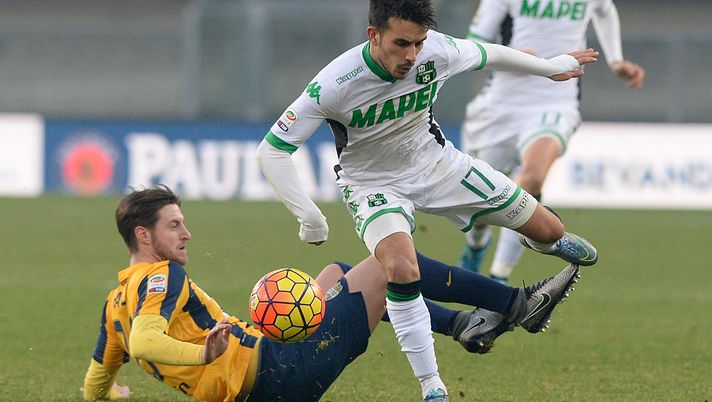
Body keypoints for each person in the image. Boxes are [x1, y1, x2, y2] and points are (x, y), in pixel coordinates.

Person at [256, 0, 599, 399]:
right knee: (402, 269)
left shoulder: (437, 50)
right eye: (402, 44)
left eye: (418, 43)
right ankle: (432, 385)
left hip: (438, 165)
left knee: (550, 229)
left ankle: (543, 241)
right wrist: (309, 216)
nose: (412, 55)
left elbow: (489, 53)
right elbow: (272, 150)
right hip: (373, 186)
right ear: (374, 35)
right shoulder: (334, 83)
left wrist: (549, 67)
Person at [82, 186, 583, 402]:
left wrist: (109, 394)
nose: (186, 233)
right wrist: (203, 353)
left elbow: (96, 380)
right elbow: (146, 341)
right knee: (389, 262)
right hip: (280, 371)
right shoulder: (162, 277)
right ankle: (517, 305)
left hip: (258, 381)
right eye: (173, 225)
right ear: (143, 236)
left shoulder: (113, 306)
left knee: (336, 272)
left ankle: (461, 324)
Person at [458, 0, 645, 280]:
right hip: (499, 108)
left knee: (532, 179)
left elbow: (605, 10)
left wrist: (615, 60)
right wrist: (511, 58)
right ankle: (476, 245)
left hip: (554, 105)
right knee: (480, 203)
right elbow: (473, 44)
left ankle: (499, 277)